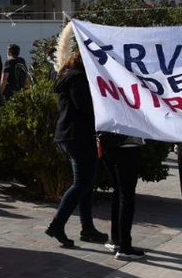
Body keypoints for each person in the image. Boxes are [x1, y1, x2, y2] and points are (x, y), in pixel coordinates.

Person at [45, 25, 107, 248]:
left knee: (86, 182)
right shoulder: (78, 79)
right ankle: (57, 224)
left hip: (70, 135)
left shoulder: (67, 75)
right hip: (77, 136)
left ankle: (87, 228)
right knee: (82, 183)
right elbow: (84, 107)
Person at [99, 132, 144, 260]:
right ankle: (125, 246)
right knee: (127, 196)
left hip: (109, 145)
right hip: (128, 147)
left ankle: (116, 240)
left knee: (119, 193)